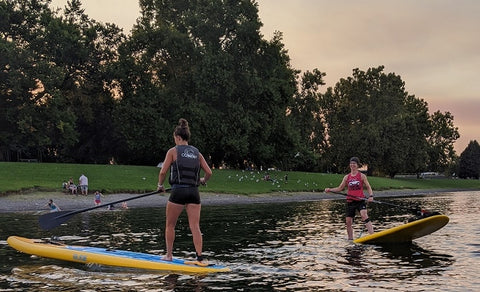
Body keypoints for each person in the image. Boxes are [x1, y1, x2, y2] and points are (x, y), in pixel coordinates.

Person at [157, 118, 212, 264]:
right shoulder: (197, 153)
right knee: (195, 226)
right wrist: (202, 181)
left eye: (174, 138)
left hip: (178, 192)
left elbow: (163, 172)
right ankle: (199, 257)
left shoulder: (173, 151)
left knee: (170, 225)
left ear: (178, 137)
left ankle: (169, 255)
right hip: (194, 193)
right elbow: (209, 172)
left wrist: (160, 186)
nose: (174, 141)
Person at [324, 157, 374, 240]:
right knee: (348, 221)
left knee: (364, 215)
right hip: (350, 201)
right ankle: (350, 239)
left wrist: (371, 196)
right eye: (351, 163)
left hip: (360, 200)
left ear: (358, 165)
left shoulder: (362, 176)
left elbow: (368, 187)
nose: (352, 165)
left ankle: (372, 235)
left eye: (354, 163)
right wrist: (330, 189)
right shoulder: (346, 177)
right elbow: (340, 188)